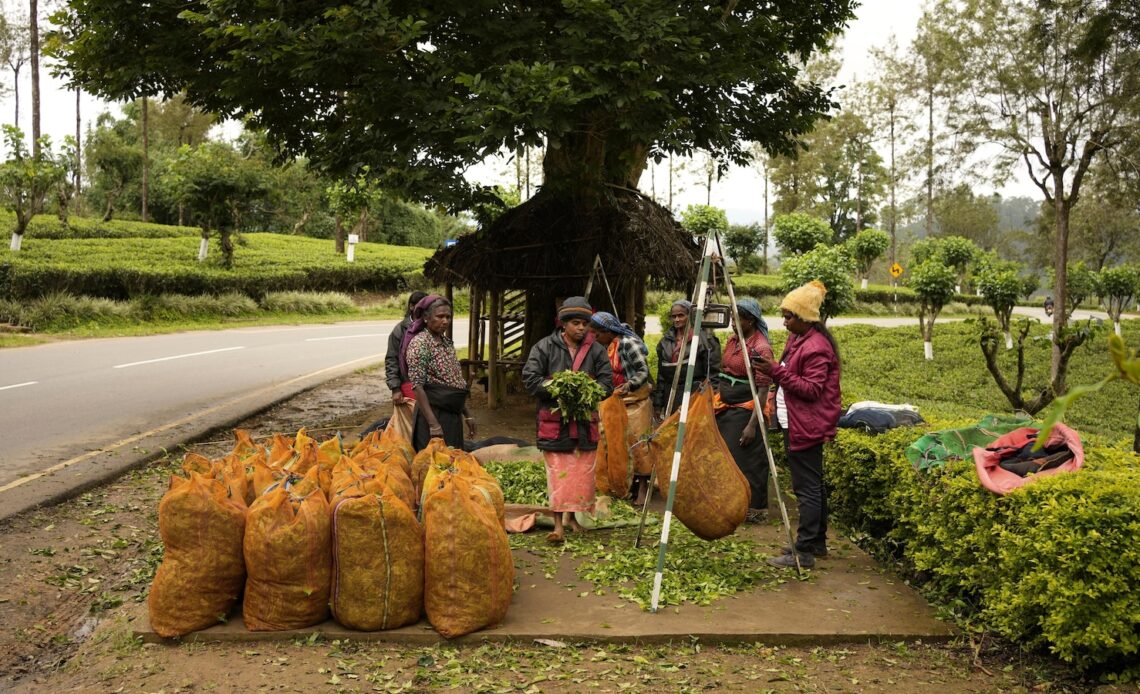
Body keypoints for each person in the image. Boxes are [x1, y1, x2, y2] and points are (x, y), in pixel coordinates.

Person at [753, 281, 842, 569]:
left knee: (807, 488)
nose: (784, 321)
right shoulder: (798, 339)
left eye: (788, 316)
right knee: (813, 484)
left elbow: (811, 389)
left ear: (804, 318)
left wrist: (775, 372)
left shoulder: (816, 347)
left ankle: (803, 551)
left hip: (807, 424)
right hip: (797, 420)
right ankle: (816, 543)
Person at [522, 297, 613, 543]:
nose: (581, 328)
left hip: (584, 423)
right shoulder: (544, 347)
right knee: (558, 472)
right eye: (575, 323)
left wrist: (586, 390)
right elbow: (530, 378)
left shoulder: (596, 350)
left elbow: (607, 383)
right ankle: (558, 525)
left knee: (581, 473)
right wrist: (559, 389)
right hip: (554, 423)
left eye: (585, 323)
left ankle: (573, 519)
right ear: (563, 324)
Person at [715, 298, 774, 524]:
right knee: (728, 458)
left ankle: (753, 508)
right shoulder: (733, 341)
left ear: (750, 320)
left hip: (746, 410)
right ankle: (732, 503)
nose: (732, 322)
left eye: (737, 318)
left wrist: (752, 425)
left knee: (748, 460)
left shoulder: (760, 348)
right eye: (731, 317)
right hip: (727, 408)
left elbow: (762, 389)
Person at [588, 311, 653, 503]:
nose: (595, 338)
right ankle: (625, 484)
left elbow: (643, 370)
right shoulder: (608, 346)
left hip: (635, 399)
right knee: (617, 442)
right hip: (616, 399)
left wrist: (630, 384)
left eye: (597, 334)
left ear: (608, 331)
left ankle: (643, 486)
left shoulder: (627, 344)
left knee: (639, 443)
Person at [402, 294, 476, 451]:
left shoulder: (446, 343)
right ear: (427, 318)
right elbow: (417, 386)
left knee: (453, 464)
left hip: (452, 414)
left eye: (448, 317)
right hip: (433, 413)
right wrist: (433, 424)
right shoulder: (420, 344)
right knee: (433, 466)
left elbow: (455, 382)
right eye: (440, 316)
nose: (445, 321)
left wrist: (467, 415)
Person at [652, 299, 721, 419]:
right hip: (671, 396)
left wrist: (710, 399)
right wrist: (658, 403)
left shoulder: (703, 341)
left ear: (690, 315)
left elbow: (712, 374)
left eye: (681, 315)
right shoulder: (665, 342)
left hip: (693, 394)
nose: (676, 319)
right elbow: (661, 376)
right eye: (674, 316)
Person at [382, 291, 428, 439]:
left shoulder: (430, 326)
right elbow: (392, 359)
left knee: (426, 423)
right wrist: (395, 388)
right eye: (421, 306)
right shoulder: (399, 331)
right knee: (408, 428)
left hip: (428, 386)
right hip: (407, 385)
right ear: (411, 306)